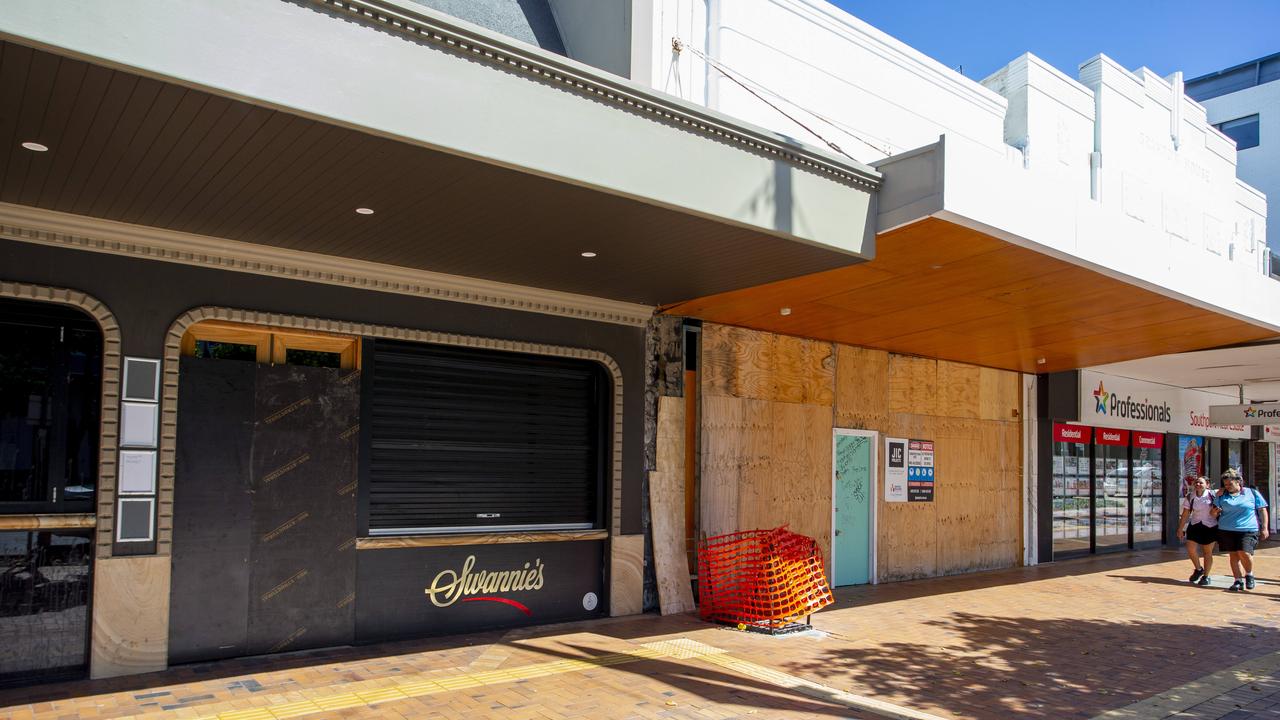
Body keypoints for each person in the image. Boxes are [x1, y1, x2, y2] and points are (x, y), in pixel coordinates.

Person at [1212, 469, 1269, 592]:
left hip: (1248, 529)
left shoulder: (1251, 493)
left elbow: (1262, 510)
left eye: (1230, 484)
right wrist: (1215, 510)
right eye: (1225, 484)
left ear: (1238, 482)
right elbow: (1213, 512)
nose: (1227, 487)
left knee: (1244, 552)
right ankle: (1237, 580)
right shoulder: (1222, 495)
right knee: (1233, 555)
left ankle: (1249, 574)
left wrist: (1264, 527)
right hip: (1226, 529)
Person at [1176, 476, 1217, 586]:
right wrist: (1180, 529)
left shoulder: (1213, 495)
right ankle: (1198, 569)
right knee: (1190, 549)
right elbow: (1185, 513)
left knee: (1207, 552)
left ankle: (1206, 576)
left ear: (1207, 484)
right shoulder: (1190, 496)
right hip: (1195, 524)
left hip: (1210, 526)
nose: (1198, 484)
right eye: (1196, 483)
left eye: (1201, 483)